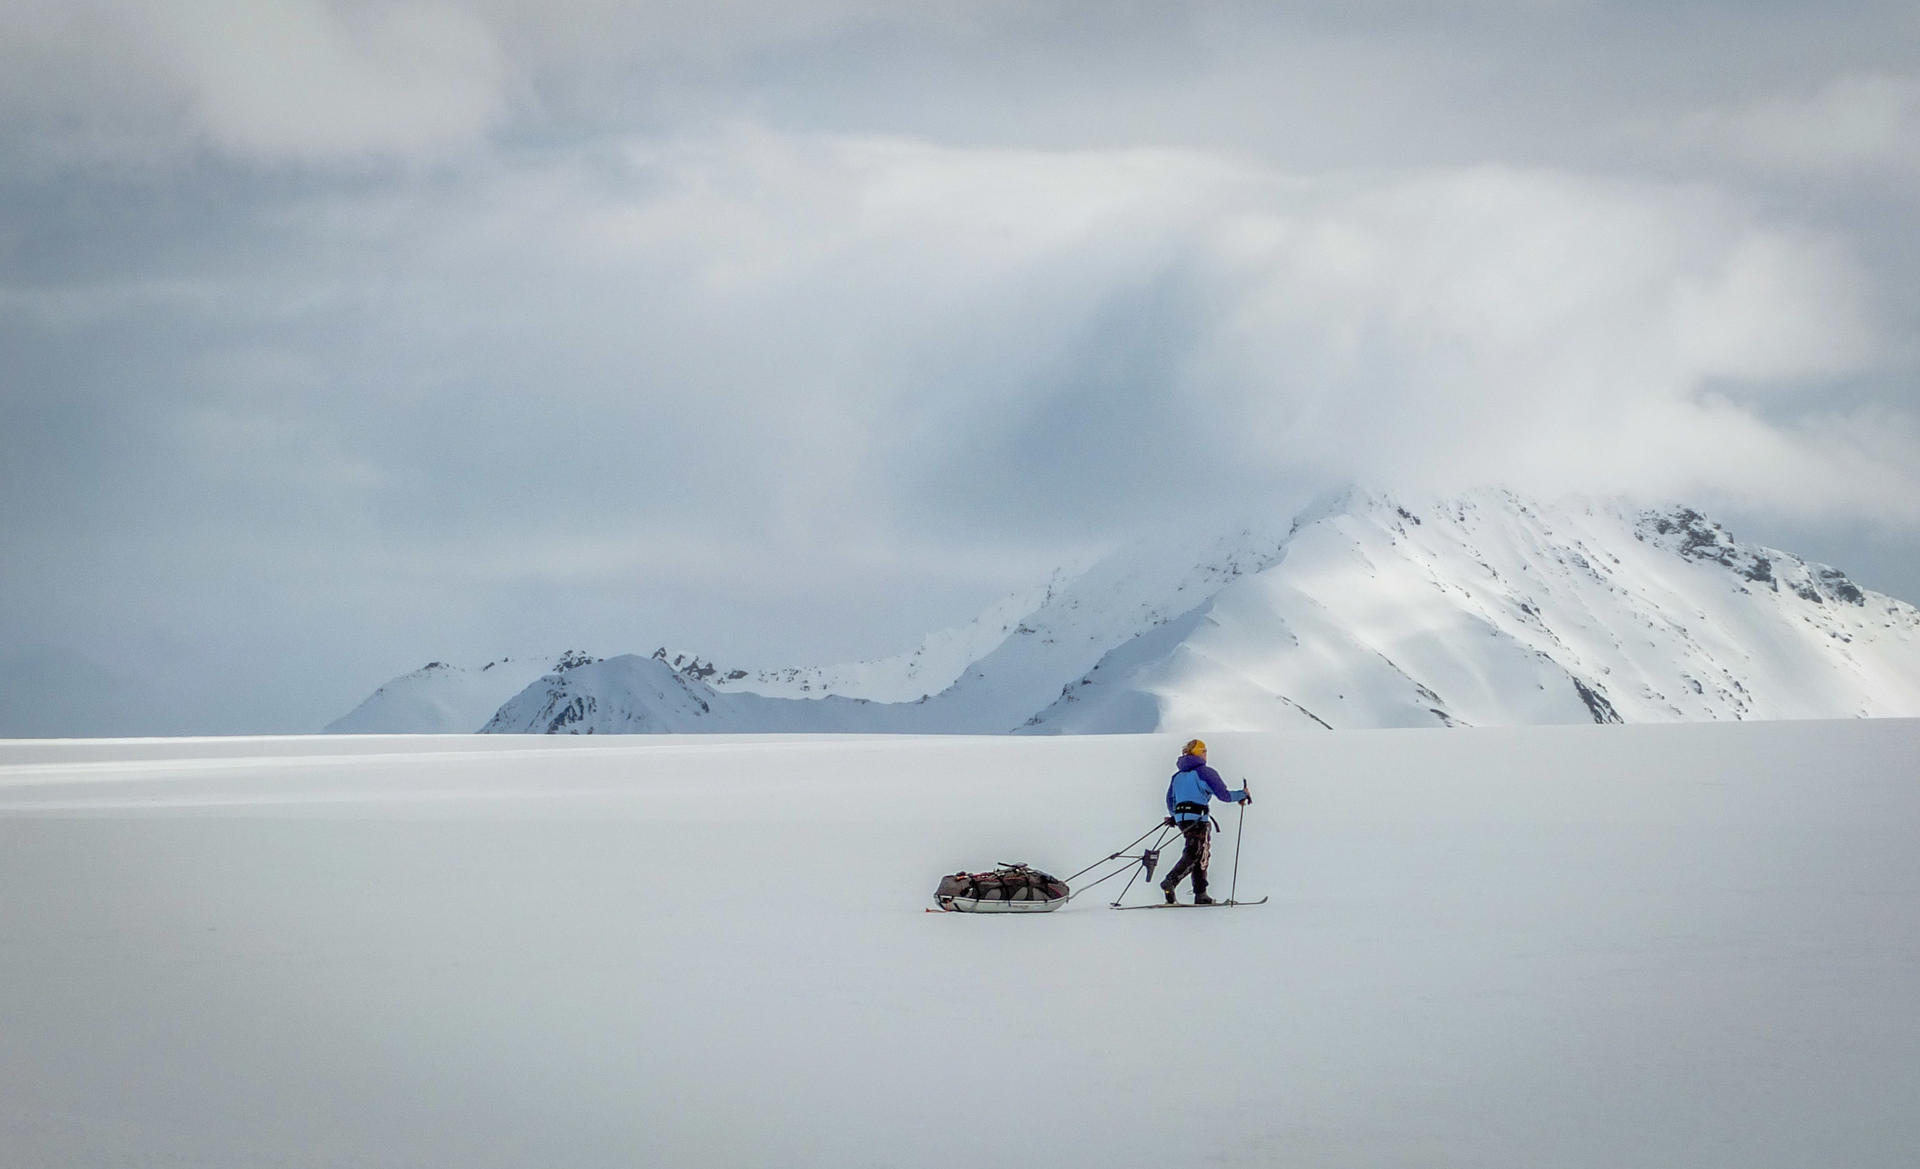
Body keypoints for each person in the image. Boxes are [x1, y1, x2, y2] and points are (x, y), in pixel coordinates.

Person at [1159, 738, 1249, 904]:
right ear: (1199, 753)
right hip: (1198, 818)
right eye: (1204, 751)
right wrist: (1242, 794)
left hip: (1182, 819)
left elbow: (1170, 799)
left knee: (1198, 852)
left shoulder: (1177, 776)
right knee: (1196, 853)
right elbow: (1224, 795)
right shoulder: (1205, 772)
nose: (1206, 754)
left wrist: (1175, 816)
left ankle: (1200, 893)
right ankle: (1171, 881)